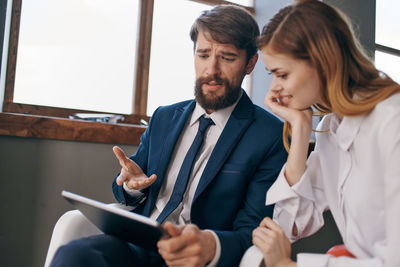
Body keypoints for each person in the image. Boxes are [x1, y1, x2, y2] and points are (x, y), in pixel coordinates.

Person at [50, 4, 287, 267]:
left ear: (250, 63)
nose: (212, 70)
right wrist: (131, 186)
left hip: (194, 257)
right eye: (204, 54)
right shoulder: (164, 117)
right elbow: (132, 185)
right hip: (138, 244)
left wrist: (209, 246)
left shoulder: (270, 136)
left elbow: (254, 231)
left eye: (227, 58)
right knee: (73, 255)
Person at [249, 0, 400, 266]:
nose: (274, 89)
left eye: (281, 74)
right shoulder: (332, 128)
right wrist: (300, 129)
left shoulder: (391, 122)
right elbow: (290, 224)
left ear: (322, 63)